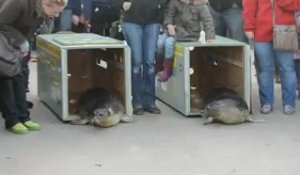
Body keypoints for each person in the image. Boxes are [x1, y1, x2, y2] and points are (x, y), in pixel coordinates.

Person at [0, 0, 67, 134]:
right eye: (55, 12)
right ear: (46, 4)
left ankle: (24, 117)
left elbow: (30, 29)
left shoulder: (41, 11)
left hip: (18, 44)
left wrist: (24, 45)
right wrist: (20, 41)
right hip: (4, 43)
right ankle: (12, 120)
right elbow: (1, 22)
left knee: (20, 77)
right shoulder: (18, 3)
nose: (57, 15)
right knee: (6, 79)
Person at [242, 0, 299, 115]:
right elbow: (249, 5)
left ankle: (289, 104)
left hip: (285, 30)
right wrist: (248, 26)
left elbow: (296, 4)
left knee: (287, 68)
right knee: (264, 69)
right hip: (261, 31)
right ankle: (266, 103)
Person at [121, 0, 166, 115]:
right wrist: (121, 4)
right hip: (132, 20)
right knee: (136, 62)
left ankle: (150, 101)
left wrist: (159, 5)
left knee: (150, 62)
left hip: (153, 21)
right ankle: (137, 101)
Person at [156, 0, 215, 82]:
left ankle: (168, 69)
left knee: (168, 43)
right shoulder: (174, 2)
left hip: (190, 34)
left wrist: (210, 37)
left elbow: (208, 21)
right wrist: (169, 25)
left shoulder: (200, 4)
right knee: (159, 43)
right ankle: (159, 65)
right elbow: (169, 16)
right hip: (174, 31)